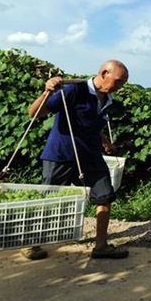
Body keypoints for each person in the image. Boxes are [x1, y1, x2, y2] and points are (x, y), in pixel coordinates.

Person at [21, 59, 130, 260]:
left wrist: (104, 141)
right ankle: (31, 244)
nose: (121, 86)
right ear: (104, 73)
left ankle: (101, 246)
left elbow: (90, 125)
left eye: (123, 83)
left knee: (105, 196)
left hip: (90, 156)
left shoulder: (106, 99)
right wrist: (48, 91)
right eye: (119, 81)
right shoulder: (73, 91)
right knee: (48, 200)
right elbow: (35, 113)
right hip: (61, 155)